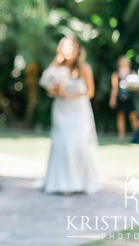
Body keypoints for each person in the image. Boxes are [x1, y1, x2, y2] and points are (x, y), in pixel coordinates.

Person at [39, 37, 100, 195]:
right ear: (61, 49)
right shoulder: (55, 68)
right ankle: (63, 183)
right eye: (66, 48)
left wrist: (70, 95)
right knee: (63, 144)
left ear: (78, 50)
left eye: (72, 48)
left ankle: (80, 182)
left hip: (79, 111)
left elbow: (90, 92)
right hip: (61, 110)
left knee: (78, 144)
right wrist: (57, 90)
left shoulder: (84, 68)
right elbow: (50, 91)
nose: (70, 51)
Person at [109, 56, 139, 140]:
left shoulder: (132, 72)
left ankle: (137, 134)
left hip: (129, 97)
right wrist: (112, 99)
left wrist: (129, 86)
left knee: (133, 115)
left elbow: (136, 87)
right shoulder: (116, 73)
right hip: (120, 97)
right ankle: (121, 135)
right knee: (120, 116)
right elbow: (114, 88)